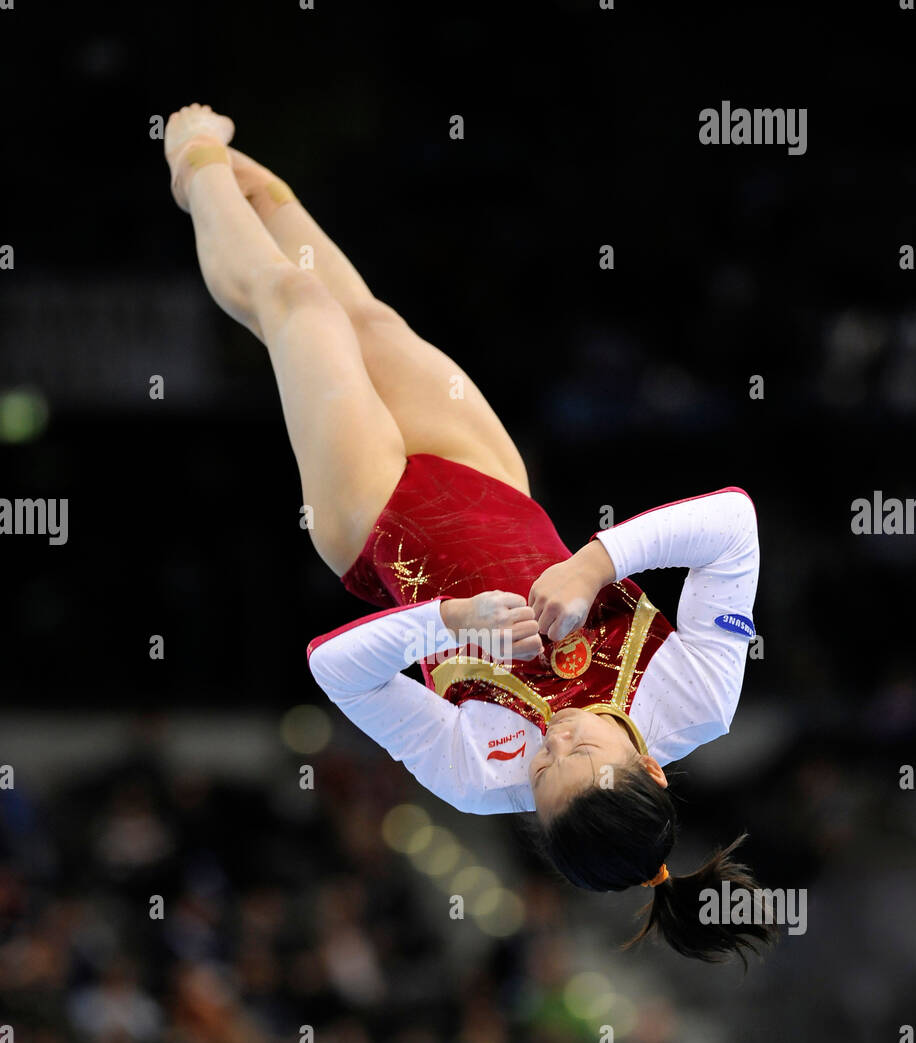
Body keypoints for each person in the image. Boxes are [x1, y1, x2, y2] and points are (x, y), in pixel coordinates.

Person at [165, 105, 772, 964]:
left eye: (542, 775)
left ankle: (191, 167)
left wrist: (448, 624)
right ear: (656, 768)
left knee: (299, 307)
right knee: (369, 320)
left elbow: (335, 670)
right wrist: (596, 560)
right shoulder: (698, 697)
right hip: (490, 481)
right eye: (578, 747)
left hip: (376, 528)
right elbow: (734, 527)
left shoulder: (477, 776)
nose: (551, 740)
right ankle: (265, 194)